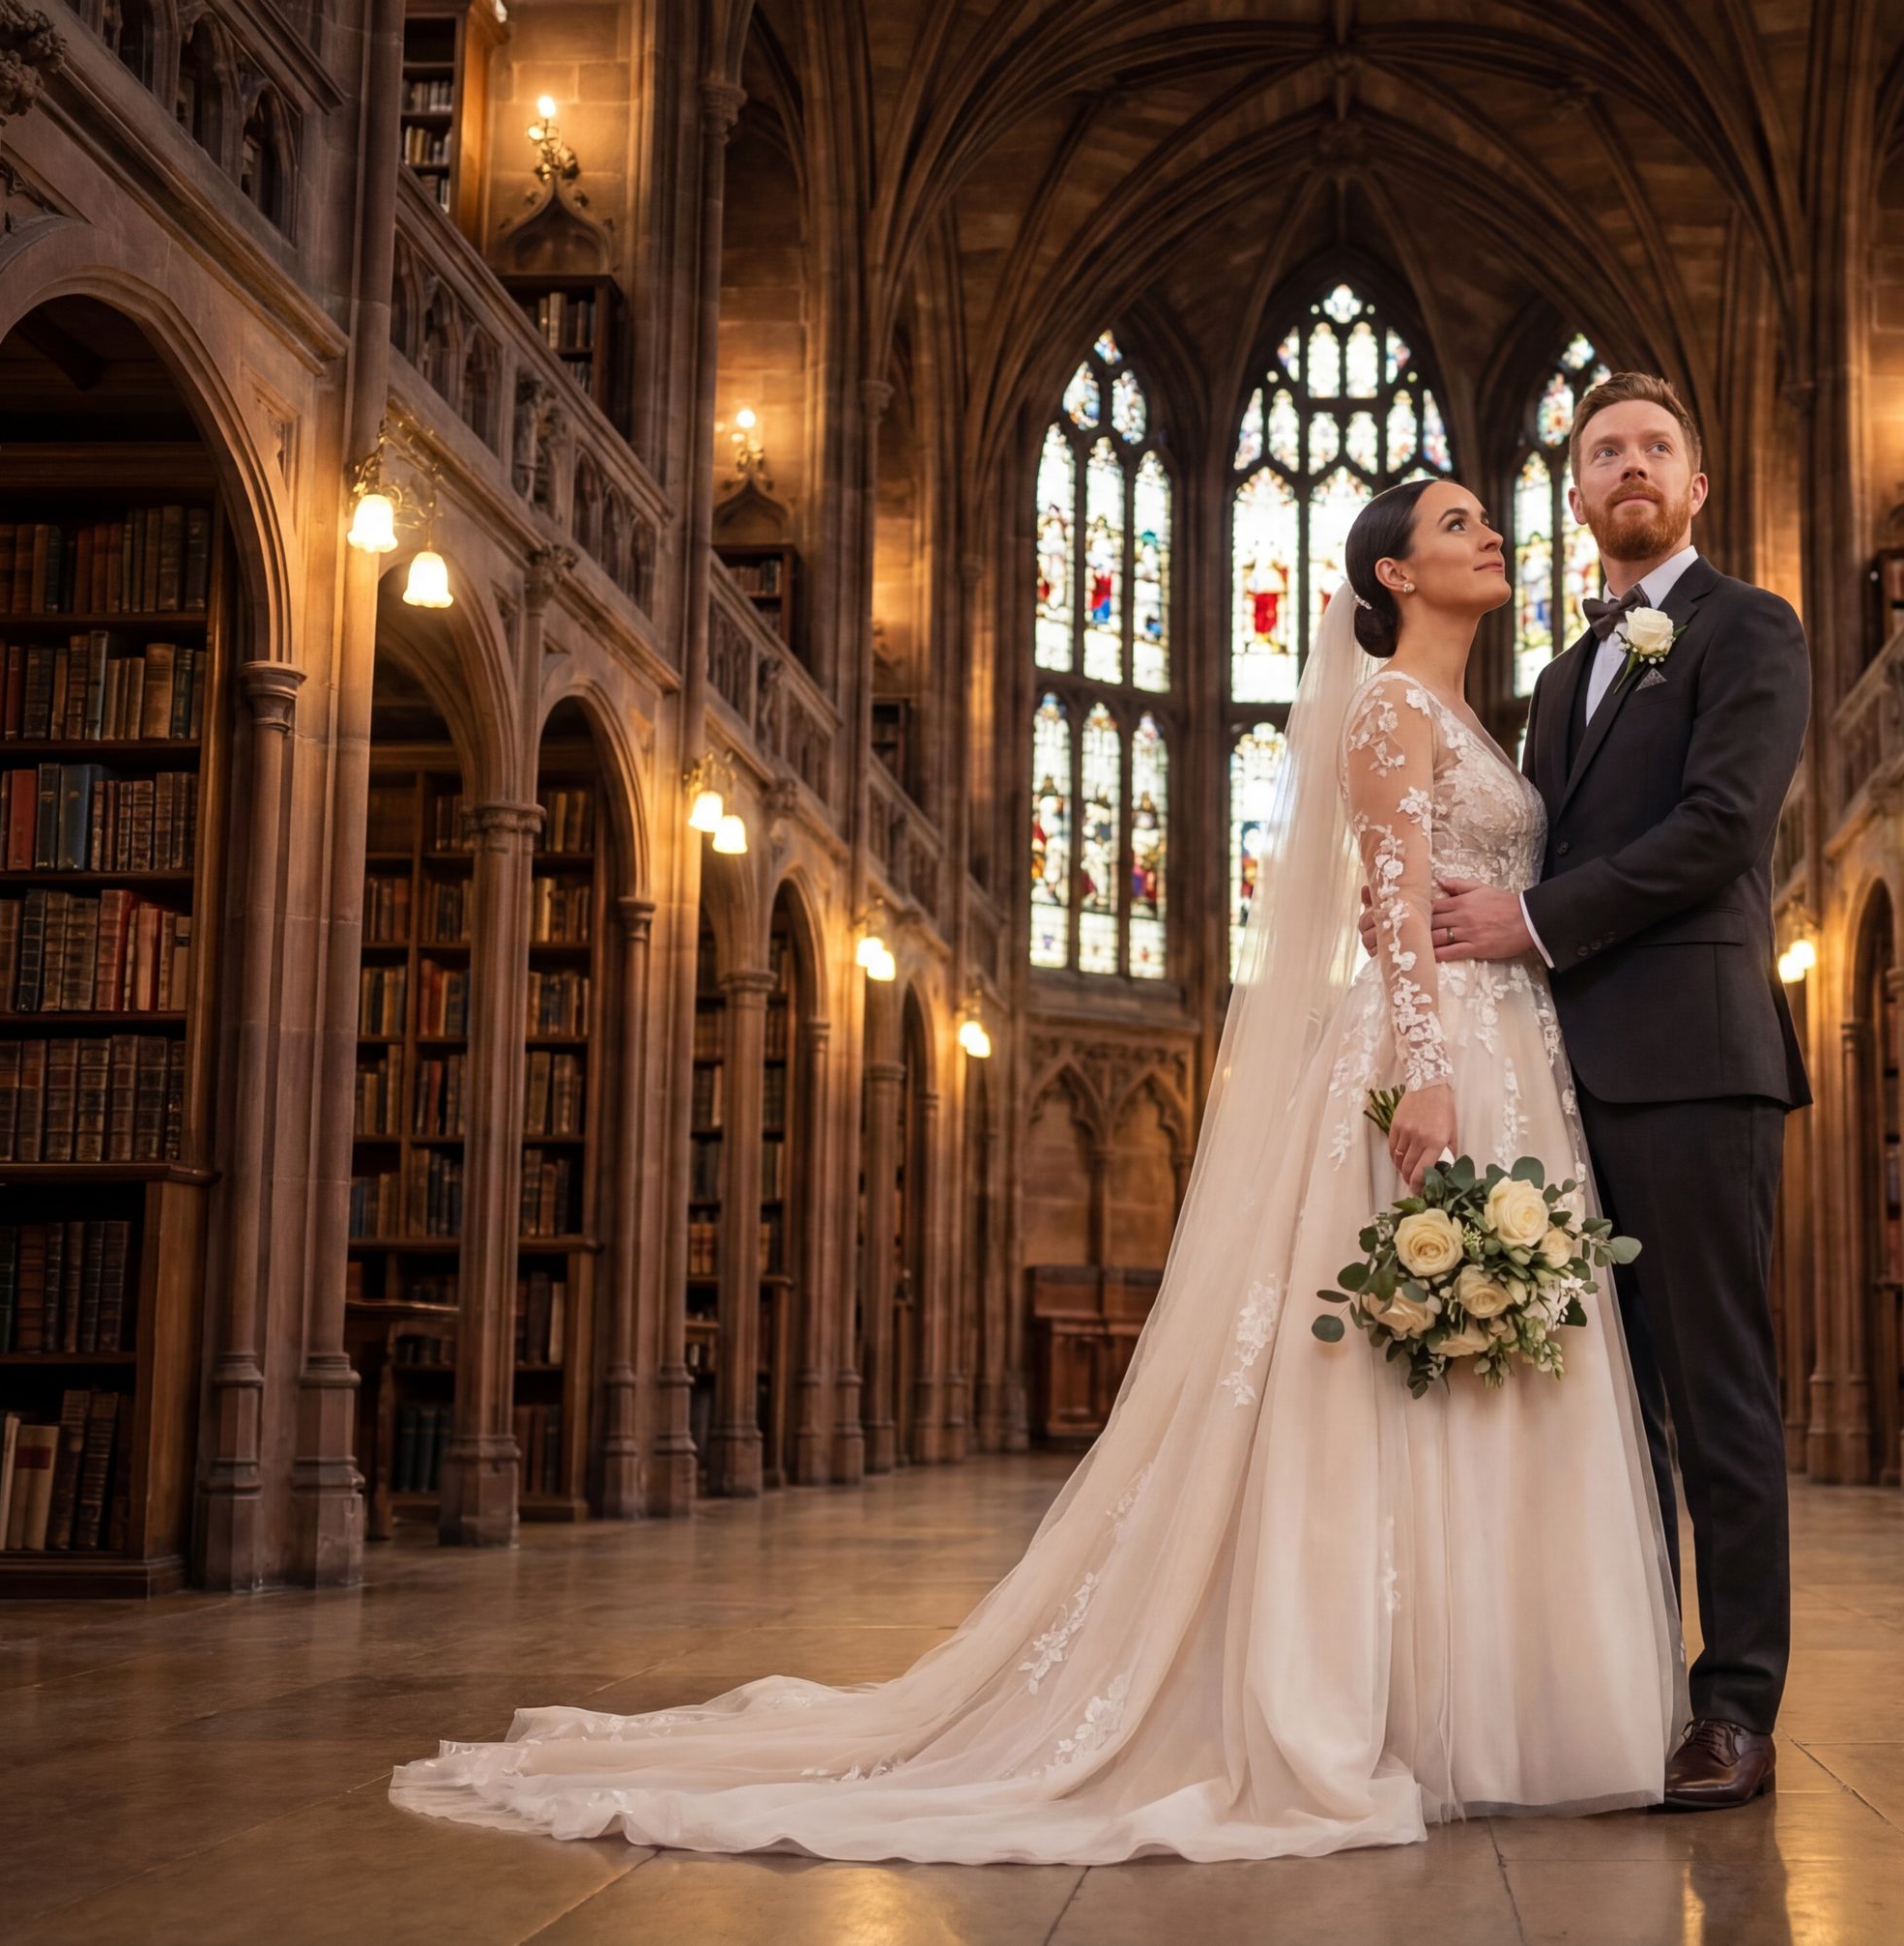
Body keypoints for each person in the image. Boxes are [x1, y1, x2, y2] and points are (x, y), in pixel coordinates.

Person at [390, 476, 1686, 1864]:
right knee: (1383, 1371)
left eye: (1485, 520)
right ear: (1390, 577)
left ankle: (1485, 1702)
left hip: (1512, 1062)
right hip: (1432, 1059)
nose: (1486, 535)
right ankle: (1389, 1703)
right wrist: (1424, 1067)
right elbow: (1390, 904)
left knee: (1483, 1365)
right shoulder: (1382, 707)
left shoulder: (1484, 718)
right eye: (1452, 525)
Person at [1398, 371, 1813, 1809]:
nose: (1630, 467)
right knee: (1606, 1407)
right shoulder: (1567, 674)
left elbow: (1717, 829)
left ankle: (1738, 1705)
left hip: (1697, 1061)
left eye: (1656, 447)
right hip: (1564, 1085)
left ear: (1698, 485)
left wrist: (1533, 923)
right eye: (1604, 452)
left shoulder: (1749, 629)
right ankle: (1633, 1683)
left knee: (1717, 1395)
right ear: (1575, 496)